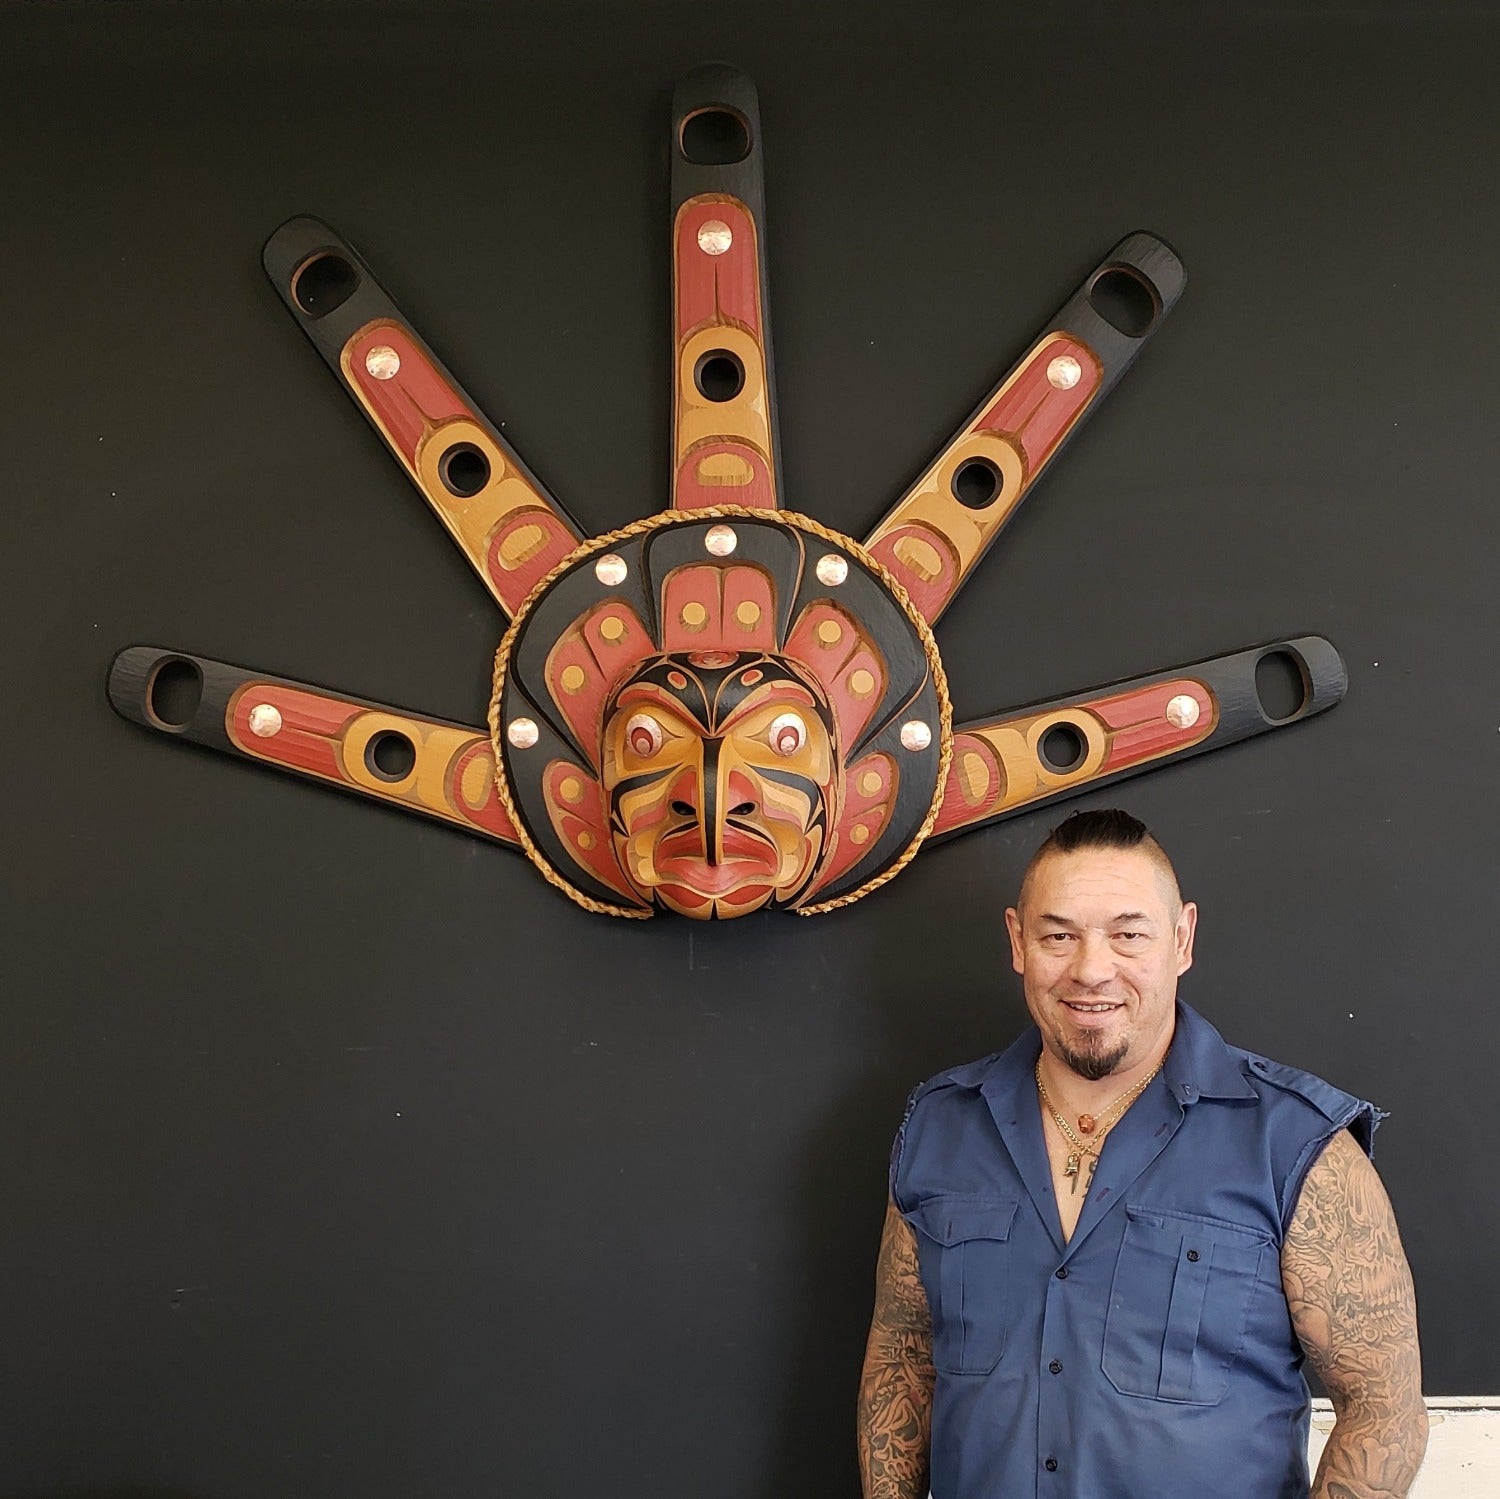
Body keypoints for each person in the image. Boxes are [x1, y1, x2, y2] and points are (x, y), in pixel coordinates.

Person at [857, 808, 1426, 1499]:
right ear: (1017, 940)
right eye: (1058, 935)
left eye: (1128, 935)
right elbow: (903, 1358)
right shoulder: (938, 1129)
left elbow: (1383, 1409)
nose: (1092, 970)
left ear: (1182, 938)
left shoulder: (1297, 1146)